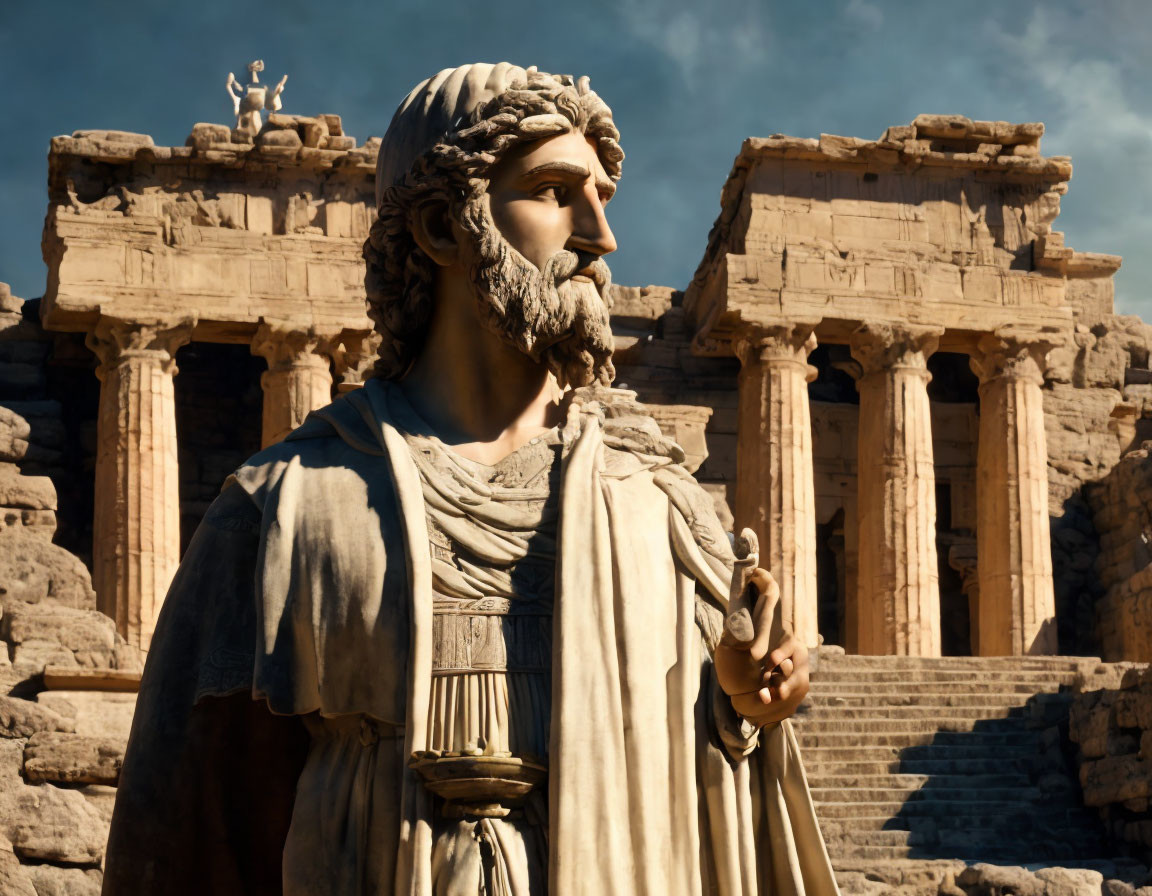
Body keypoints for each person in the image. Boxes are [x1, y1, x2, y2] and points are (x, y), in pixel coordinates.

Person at [103, 63, 838, 895]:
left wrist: (739, 711)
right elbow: (192, 831)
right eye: (557, 193)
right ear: (443, 228)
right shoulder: (286, 507)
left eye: (603, 197)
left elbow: (711, 825)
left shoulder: (662, 507)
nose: (601, 238)